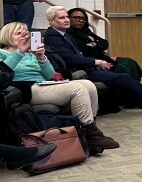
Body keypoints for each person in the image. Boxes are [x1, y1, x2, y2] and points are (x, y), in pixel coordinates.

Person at [43, 6, 142, 115]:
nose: (67, 20)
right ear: (51, 21)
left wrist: (95, 61)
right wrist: (95, 62)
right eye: (62, 18)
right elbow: (69, 58)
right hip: (77, 71)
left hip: (85, 67)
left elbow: (85, 51)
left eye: (66, 17)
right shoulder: (53, 36)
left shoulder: (64, 34)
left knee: (122, 74)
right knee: (122, 77)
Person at [0, 22, 118, 150]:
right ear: (7, 36)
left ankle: (89, 129)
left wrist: (41, 57)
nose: (24, 37)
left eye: (26, 33)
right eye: (18, 34)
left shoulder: (31, 53)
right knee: (77, 89)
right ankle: (91, 136)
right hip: (24, 89)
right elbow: (3, 72)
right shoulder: (2, 53)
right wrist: (19, 53)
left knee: (88, 85)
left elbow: (50, 75)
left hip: (43, 84)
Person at [66, 8, 142, 81]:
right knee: (123, 68)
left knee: (130, 62)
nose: (80, 20)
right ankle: (131, 89)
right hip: (94, 61)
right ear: (68, 18)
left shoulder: (86, 31)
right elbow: (86, 50)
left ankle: (136, 86)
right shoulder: (69, 34)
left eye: (83, 19)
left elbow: (105, 43)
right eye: (76, 18)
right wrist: (97, 45)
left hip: (103, 57)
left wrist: (95, 44)